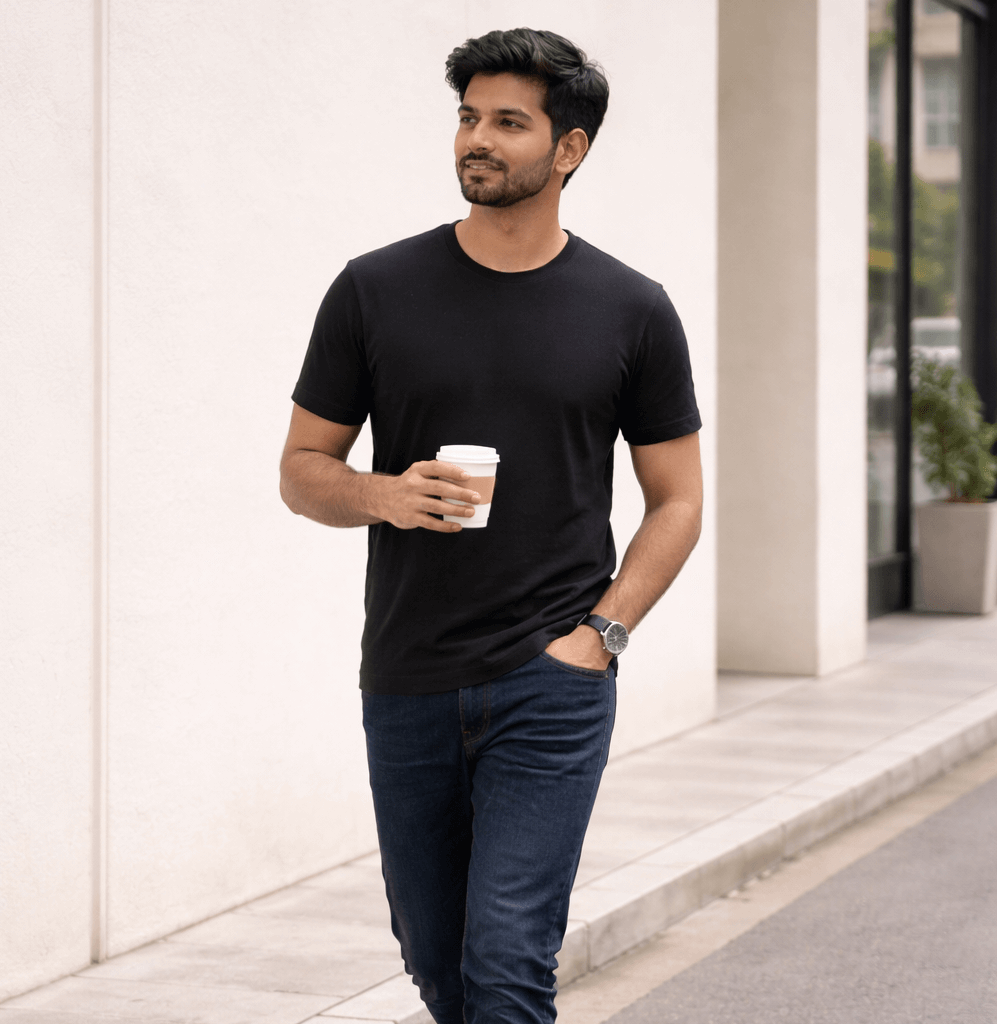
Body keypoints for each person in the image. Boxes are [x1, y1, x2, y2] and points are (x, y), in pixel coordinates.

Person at [279, 26, 703, 1024]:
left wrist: (599, 635)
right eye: (468, 117)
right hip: (408, 673)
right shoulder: (374, 289)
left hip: (548, 682)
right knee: (439, 960)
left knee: (507, 957)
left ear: (569, 149)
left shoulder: (631, 309)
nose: (478, 138)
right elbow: (302, 471)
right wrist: (383, 493)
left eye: (508, 121)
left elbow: (677, 500)